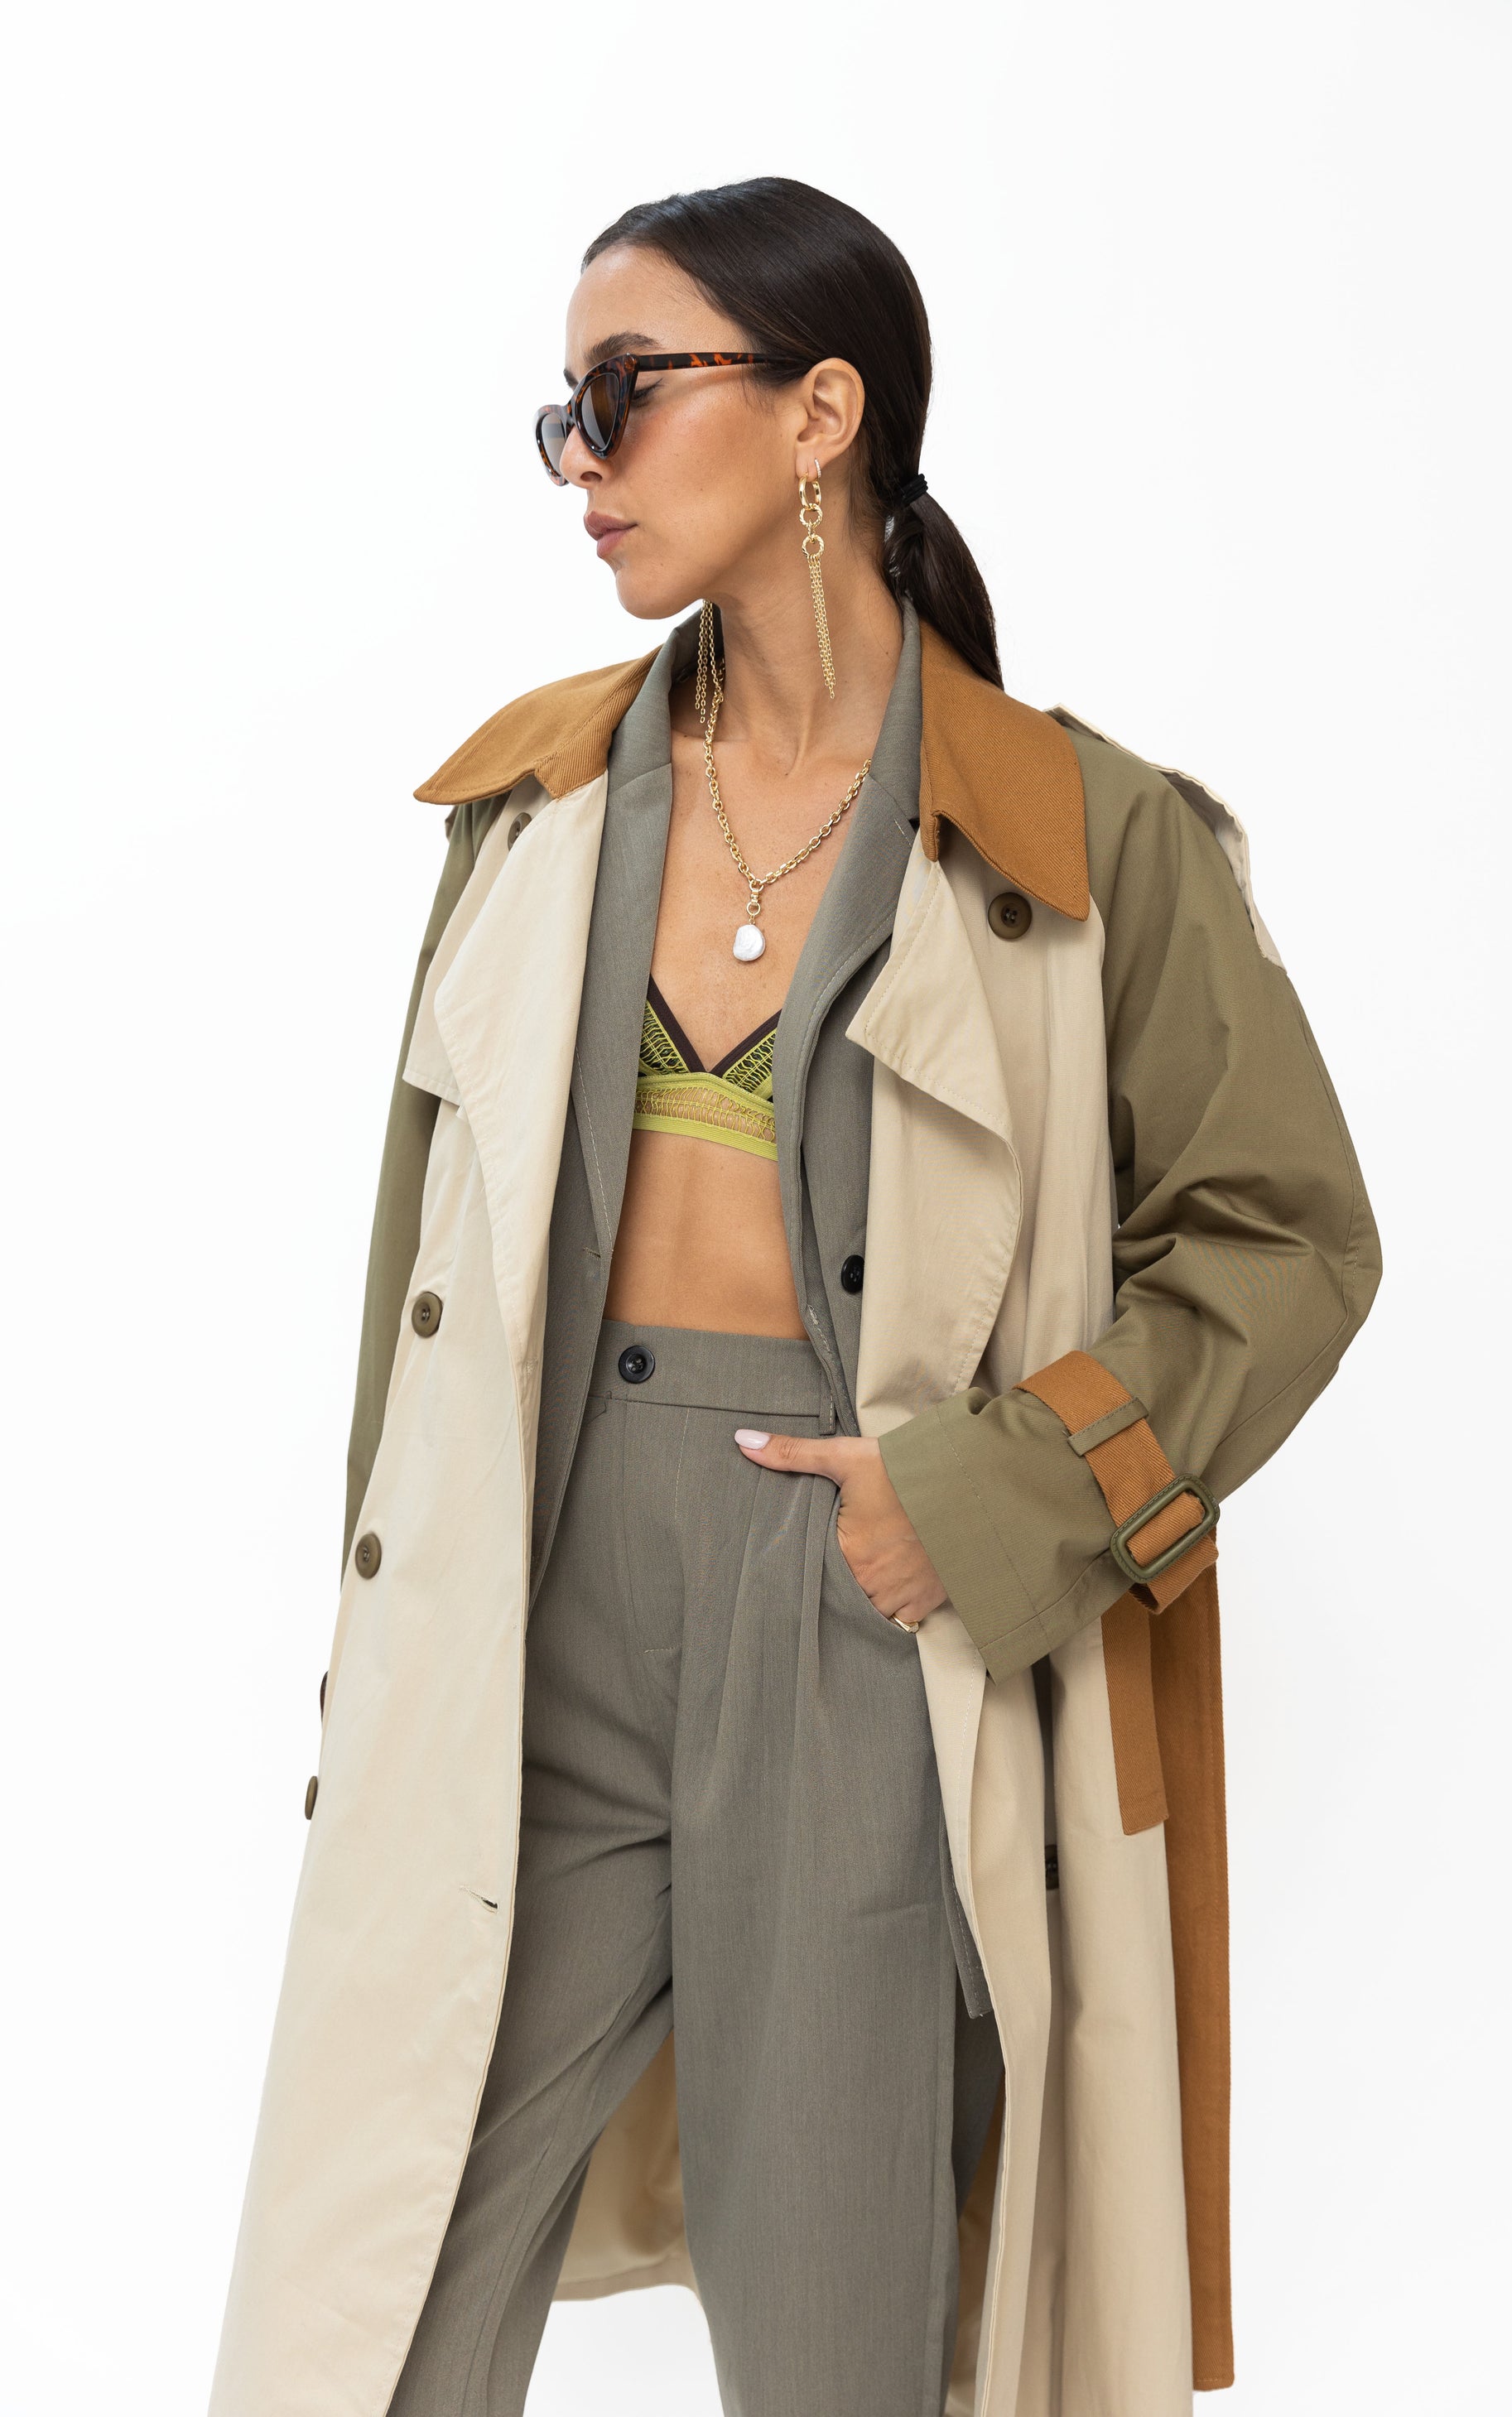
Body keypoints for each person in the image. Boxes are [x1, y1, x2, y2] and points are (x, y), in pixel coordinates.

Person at [209, 177, 1380, 2417]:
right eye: (565, 410)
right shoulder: (534, 805)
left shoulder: (1079, 834)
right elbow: (418, 1276)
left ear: (823, 410)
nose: (581, 457)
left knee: (836, 2333)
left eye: (626, 392)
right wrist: (382, 1647)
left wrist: (991, 1497)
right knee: (366, 2307)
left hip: (859, 1621)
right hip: (535, 1611)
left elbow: (1286, 1233)